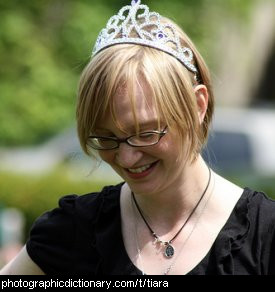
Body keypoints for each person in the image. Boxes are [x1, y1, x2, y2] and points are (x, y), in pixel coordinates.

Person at [1, 0, 275, 275]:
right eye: (106, 137)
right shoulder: (72, 231)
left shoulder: (265, 237)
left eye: (146, 133)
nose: (127, 157)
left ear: (197, 107)